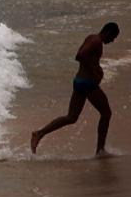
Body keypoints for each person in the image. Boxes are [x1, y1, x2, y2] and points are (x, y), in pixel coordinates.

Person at [31, 23, 119, 157]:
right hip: (88, 84)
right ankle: (100, 150)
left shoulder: (92, 37)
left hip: (80, 81)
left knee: (71, 117)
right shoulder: (96, 41)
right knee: (106, 113)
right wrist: (94, 71)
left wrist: (95, 68)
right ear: (108, 32)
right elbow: (80, 55)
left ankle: (39, 133)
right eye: (113, 37)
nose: (112, 40)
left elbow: (83, 56)